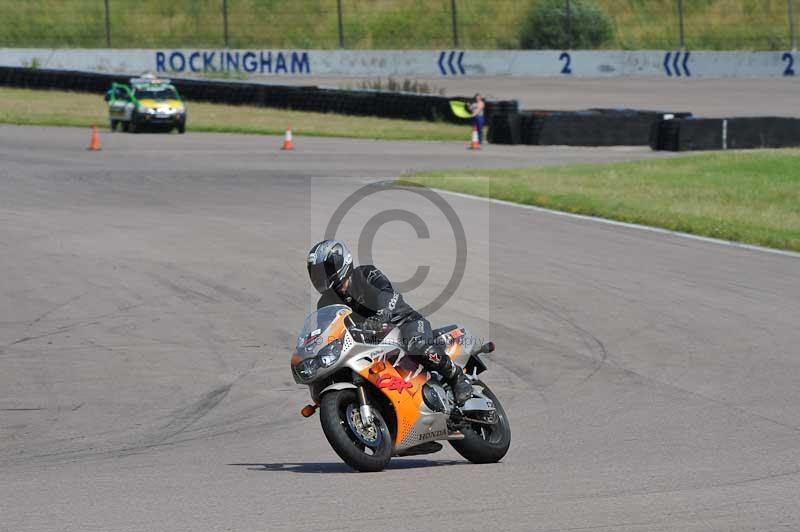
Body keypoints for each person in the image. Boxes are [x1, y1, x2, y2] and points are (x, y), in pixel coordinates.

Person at [307, 239, 473, 405]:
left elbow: (388, 293)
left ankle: (458, 377)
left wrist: (383, 314)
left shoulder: (365, 274)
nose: (321, 276)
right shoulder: (325, 303)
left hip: (403, 322)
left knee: (417, 345)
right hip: (370, 341)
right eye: (316, 273)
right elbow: (328, 328)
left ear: (340, 262)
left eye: (325, 270)